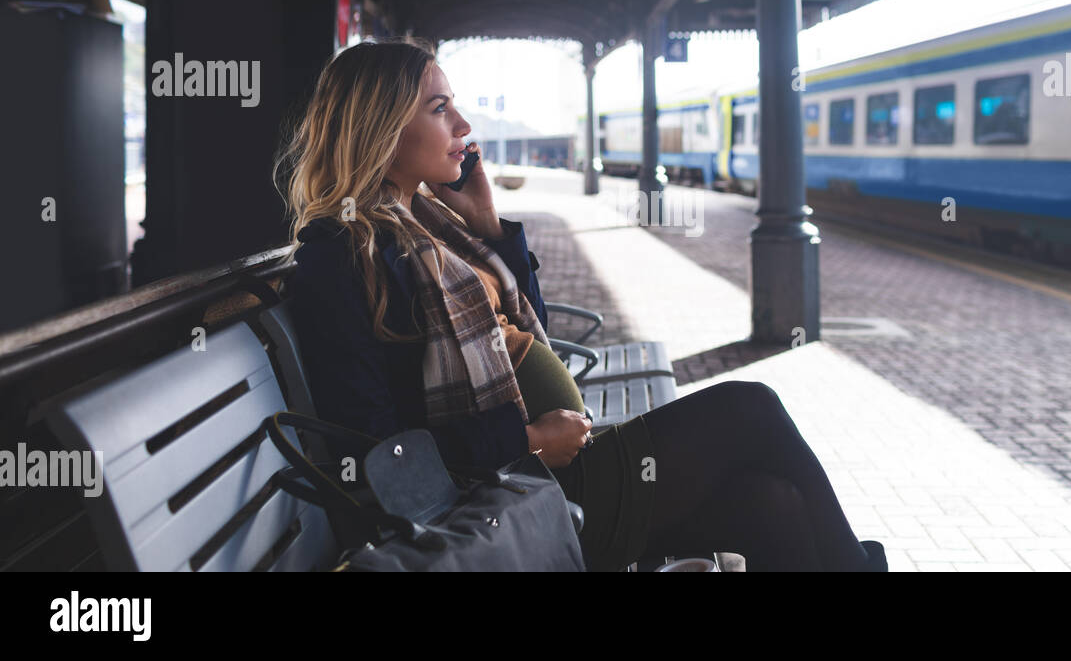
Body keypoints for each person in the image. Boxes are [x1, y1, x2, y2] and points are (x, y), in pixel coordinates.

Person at [279, 39, 887, 572]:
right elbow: (376, 452)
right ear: (379, 129)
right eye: (440, 109)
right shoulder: (340, 256)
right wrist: (524, 438)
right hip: (507, 495)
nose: (463, 125)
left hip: (546, 468)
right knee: (750, 407)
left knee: (769, 506)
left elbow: (530, 329)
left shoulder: (429, 223)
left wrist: (490, 226)